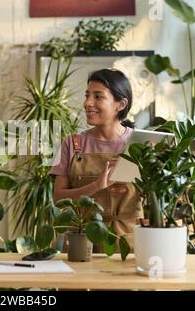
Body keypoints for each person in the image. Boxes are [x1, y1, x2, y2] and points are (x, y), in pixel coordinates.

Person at [51, 69, 143, 248]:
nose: (87, 103)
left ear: (120, 104)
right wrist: (96, 186)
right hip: (83, 242)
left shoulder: (141, 144)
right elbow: (58, 198)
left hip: (130, 243)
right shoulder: (71, 144)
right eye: (87, 95)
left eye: (98, 97)